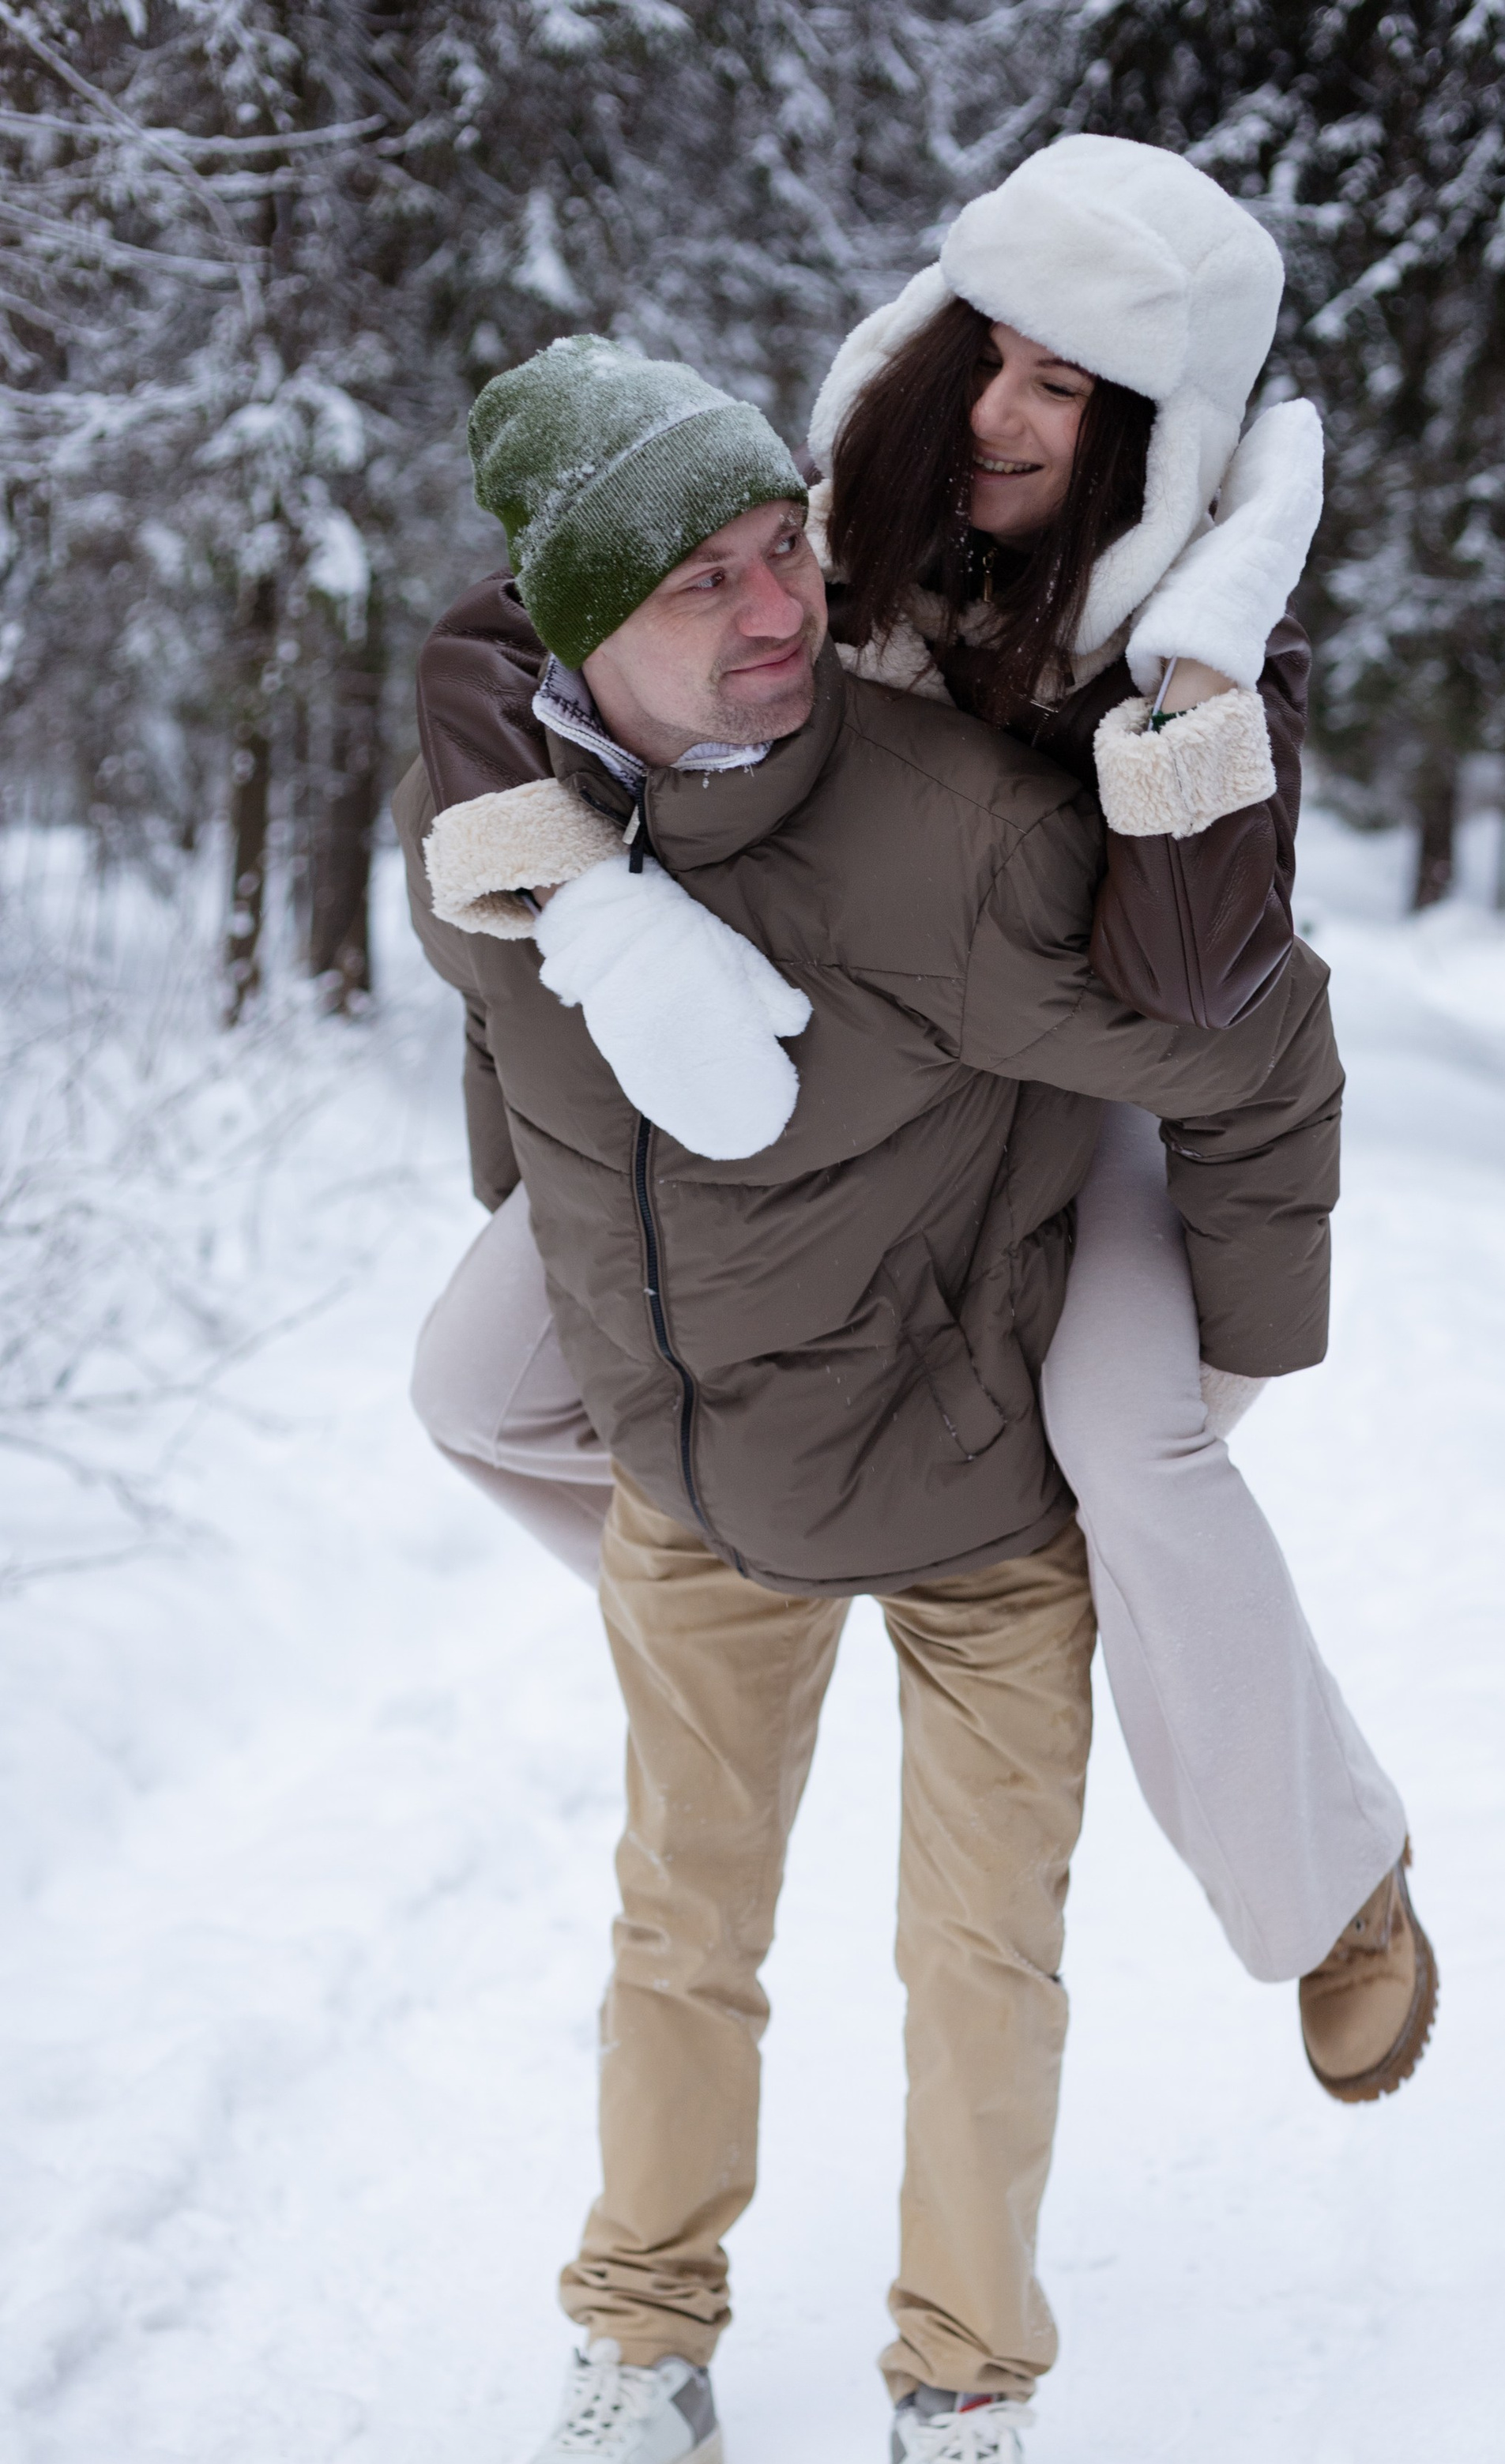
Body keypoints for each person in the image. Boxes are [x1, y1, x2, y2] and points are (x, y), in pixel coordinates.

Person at [394, 318, 1345, 2464]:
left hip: (979, 1506)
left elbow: (1250, 1045)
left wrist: (1212, 1371)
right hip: (706, 1491)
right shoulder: (513, 842)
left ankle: (964, 2394)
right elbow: (523, 1114)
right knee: (678, 1936)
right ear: (574, 647)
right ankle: (644, 2351)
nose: (772, 606)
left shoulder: (957, 846)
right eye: (697, 582)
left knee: (976, 1963)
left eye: (775, 550)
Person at [412, 137, 1438, 2112]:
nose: (997, 415)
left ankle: (1331, 1886)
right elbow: (503, 629)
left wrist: (1200, 663)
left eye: (1064, 388)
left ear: (1153, 429)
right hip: (798, 1088)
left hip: (1073, 1084)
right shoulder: (824, 518)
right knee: (475, 1387)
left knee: (1127, 1450)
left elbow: (1198, 991)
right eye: (988, 351)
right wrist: (538, 852)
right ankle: (799, 1550)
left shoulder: (1213, 658)